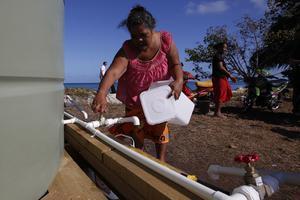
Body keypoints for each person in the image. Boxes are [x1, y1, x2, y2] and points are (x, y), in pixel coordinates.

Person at [92, 5, 183, 162]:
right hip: (135, 100)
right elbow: (113, 72)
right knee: (137, 133)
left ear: (152, 29)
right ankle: (139, 161)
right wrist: (101, 93)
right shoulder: (127, 50)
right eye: (134, 36)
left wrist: (179, 80)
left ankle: (161, 163)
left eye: (143, 34)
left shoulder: (165, 41)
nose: (139, 40)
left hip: (159, 98)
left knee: (160, 132)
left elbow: (175, 64)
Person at [212, 42, 237, 118]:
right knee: (221, 94)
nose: (225, 49)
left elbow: (221, 68)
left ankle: (217, 112)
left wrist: (229, 72)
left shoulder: (218, 56)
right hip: (219, 78)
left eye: (226, 48)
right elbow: (221, 67)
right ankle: (218, 113)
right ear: (219, 47)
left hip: (218, 77)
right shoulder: (218, 56)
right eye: (224, 47)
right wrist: (230, 75)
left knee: (218, 94)